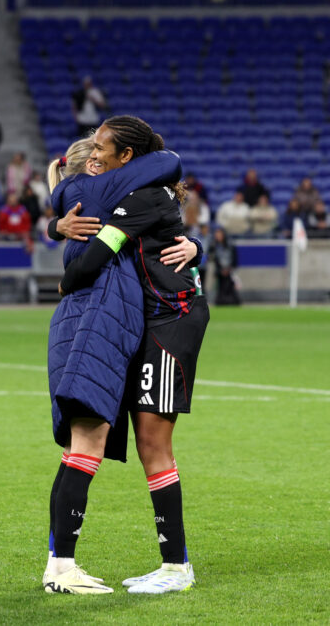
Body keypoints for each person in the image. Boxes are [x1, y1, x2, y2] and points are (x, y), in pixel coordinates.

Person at [46, 116, 205, 595]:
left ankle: (176, 568)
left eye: (102, 147)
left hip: (169, 321)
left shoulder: (141, 198)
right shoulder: (132, 192)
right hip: (141, 320)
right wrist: (57, 225)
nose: (94, 154)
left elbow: (100, 252)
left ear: (126, 159)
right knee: (132, 443)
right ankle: (158, 566)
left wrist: (66, 279)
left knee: (153, 444)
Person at [210, 226, 240, 305]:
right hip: (220, 272)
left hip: (229, 271)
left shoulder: (230, 245)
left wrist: (229, 269)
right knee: (221, 288)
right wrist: (220, 270)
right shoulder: (215, 246)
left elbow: (234, 258)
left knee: (230, 288)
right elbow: (215, 260)